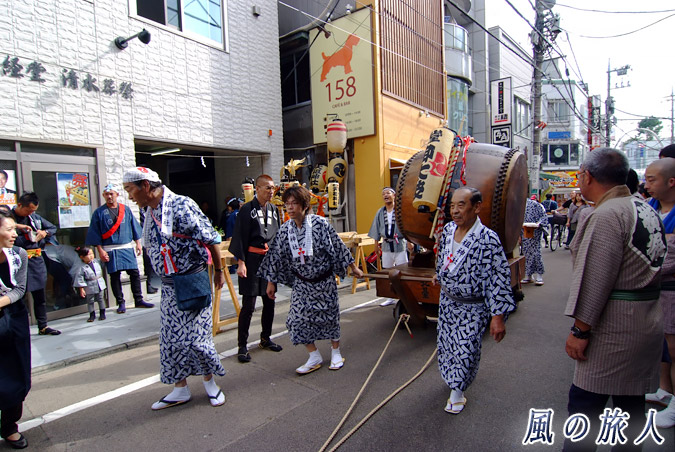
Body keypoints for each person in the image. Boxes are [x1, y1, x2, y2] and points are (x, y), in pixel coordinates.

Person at [563, 148, 667, 451]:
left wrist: (580, 331)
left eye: (581, 174)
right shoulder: (644, 207)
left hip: (614, 328)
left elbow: (595, 279)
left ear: (588, 176)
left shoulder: (608, 214)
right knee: (630, 410)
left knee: (585, 408)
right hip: (646, 320)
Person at [122, 167, 226, 410]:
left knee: (197, 339)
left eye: (130, 190)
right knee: (171, 340)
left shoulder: (182, 205)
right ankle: (180, 388)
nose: (129, 196)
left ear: (145, 186)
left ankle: (210, 383)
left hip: (192, 281)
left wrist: (219, 271)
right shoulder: (148, 209)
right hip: (169, 286)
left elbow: (210, 238)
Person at [259, 186, 363, 374]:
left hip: (324, 282)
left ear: (304, 205)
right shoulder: (284, 231)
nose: (289, 208)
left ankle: (335, 351)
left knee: (330, 318)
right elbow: (275, 256)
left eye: (294, 203)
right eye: (287, 204)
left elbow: (337, 245)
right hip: (302, 284)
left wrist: (353, 266)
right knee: (296, 320)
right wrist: (271, 282)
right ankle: (314, 355)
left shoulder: (320, 224)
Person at [431, 187, 516, 414]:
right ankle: (452, 381)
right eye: (452, 206)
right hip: (448, 302)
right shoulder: (449, 230)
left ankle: (457, 391)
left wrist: (497, 317)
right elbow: (444, 258)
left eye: (461, 205)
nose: (455, 211)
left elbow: (498, 278)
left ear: (476, 207)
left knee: (466, 348)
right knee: (447, 345)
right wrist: (439, 275)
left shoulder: (488, 239)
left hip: (472, 307)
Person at [229, 175, 283, 363]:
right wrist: (241, 262)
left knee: (270, 301)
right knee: (249, 305)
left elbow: (277, 237)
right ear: (257, 189)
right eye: (267, 188)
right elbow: (239, 237)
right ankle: (242, 345)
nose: (271, 191)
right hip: (251, 260)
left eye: (272, 188)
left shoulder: (274, 210)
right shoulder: (246, 210)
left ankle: (265, 338)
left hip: (268, 259)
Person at [85, 184, 154, 314]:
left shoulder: (125, 209)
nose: (109, 196)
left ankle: (138, 299)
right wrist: (100, 250)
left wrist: (138, 243)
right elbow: (95, 232)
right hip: (110, 249)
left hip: (126, 247)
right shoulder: (99, 213)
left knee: (134, 273)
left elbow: (134, 227)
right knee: (114, 276)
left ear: (117, 194)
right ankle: (120, 302)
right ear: (103, 196)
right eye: (106, 194)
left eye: (111, 193)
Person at [644, 157, 675, 428]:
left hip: (671, 289)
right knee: (663, 346)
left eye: (652, 179)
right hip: (655, 290)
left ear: (671, 181)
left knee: (674, 347)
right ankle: (665, 388)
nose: (647, 184)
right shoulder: (649, 209)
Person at [0, 210, 30, 449]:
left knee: (16, 373)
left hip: (13, 317)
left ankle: (10, 427)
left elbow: (19, 289)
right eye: (10, 229)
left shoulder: (19, 254)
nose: (15, 233)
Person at [12, 191, 60, 336]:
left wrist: (44, 233)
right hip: (17, 261)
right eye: (28, 210)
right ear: (20, 205)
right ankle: (17, 329)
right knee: (18, 297)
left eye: (33, 210)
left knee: (40, 295)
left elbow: (52, 228)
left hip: (36, 260)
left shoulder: (34, 217)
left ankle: (43, 326)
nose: (30, 213)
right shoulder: (8, 215)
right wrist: (19, 227)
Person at [368, 187, 408, 306]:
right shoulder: (380, 212)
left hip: (400, 243)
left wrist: (410, 241)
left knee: (402, 271)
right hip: (386, 245)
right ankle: (390, 297)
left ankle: (404, 296)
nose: (385, 195)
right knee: (387, 271)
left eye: (388, 193)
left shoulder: (400, 210)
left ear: (394, 195)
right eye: (383, 194)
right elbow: (376, 227)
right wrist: (376, 244)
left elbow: (406, 226)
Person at [72, 246, 106, 323]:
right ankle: (92, 314)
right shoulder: (81, 267)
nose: (91, 256)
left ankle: (102, 313)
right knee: (90, 300)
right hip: (89, 285)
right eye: (88, 254)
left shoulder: (97, 261)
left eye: (92, 253)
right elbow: (80, 278)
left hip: (99, 282)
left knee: (100, 299)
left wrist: (105, 257)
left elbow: (103, 262)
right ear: (82, 257)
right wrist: (81, 289)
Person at [520, 196, 547, 286]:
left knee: (536, 253)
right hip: (524, 232)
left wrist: (538, 224)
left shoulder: (535, 205)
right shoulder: (518, 206)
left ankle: (539, 275)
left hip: (534, 232)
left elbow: (544, 217)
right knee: (526, 253)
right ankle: (528, 275)